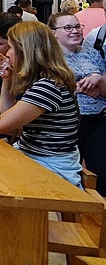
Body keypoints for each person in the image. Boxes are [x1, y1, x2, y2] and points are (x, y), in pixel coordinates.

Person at [0, 21, 82, 186]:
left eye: (10, 47)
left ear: (25, 51)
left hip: (50, 167)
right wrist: (7, 80)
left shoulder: (48, 86)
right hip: (32, 157)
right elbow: (9, 124)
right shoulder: (42, 81)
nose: (7, 53)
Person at [49, 12, 106, 189]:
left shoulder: (91, 53)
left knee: (101, 173)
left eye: (77, 27)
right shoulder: (49, 57)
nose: (75, 31)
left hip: (97, 118)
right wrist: (83, 88)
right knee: (68, 175)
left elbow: (103, 91)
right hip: (66, 121)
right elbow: (50, 88)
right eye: (68, 28)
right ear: (53, 33)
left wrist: (97, 77)